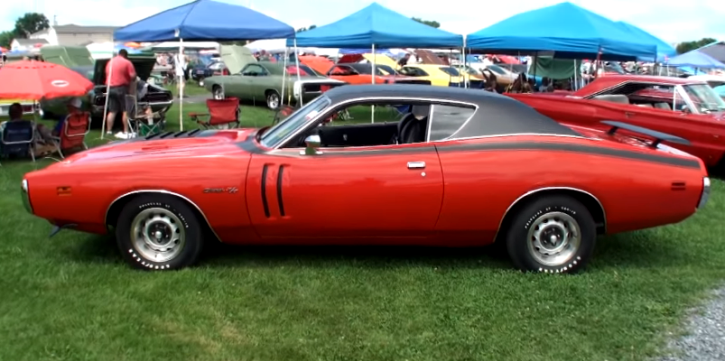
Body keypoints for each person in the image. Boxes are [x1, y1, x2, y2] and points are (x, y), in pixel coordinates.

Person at [105, 49, 136, 139]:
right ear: (125, 55)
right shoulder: (127, 62)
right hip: (121, 88)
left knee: (112, 111)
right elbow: (132, 76)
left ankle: (109, 131)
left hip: (110, 88)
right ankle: (126, 131)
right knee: (125, 110)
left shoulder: (110, 62)